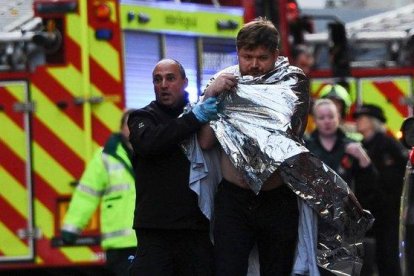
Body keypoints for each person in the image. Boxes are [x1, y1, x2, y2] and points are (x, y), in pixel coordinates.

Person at [198, 17, 310, 275]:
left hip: (275, 199)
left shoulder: (291, 83)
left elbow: (290, 133)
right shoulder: (223, 83)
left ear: (276, 55)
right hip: (234, 200)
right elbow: (205, 141)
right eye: (247, 57)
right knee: (227, 269)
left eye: (262, 57)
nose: (254, 65)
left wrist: (246, 103)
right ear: (238, 53)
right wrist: (211, 94)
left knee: (277, 269)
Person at [127, 58, 218, 275]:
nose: (164, 85)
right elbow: (149, 142)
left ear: (185, 82)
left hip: (194, 228)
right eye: (157, 80)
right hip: (155, 230)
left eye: (170, 78)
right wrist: (193, 120)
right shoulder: (142, 117)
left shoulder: (202, 113)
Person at [305, 99, 379, 275]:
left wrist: (363, 159)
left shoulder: (350, 146)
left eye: (331, 116)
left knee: (346, 270)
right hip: (316, 221)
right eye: (322, 117)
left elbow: (372, 185)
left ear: (339, 118)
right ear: (315, 120)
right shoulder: (306, 147)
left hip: (346, 222)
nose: (327, 121)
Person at [61, 109, 137, 276]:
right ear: (121, 129)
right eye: (128, 124)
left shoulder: (153, 151)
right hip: (119, 243)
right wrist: (72, 227)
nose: (132, 128)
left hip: (149, 239)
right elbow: (87, 193)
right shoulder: (105, 157)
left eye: (136, 124)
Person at [353, 104, 407, 276]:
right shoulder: (359, 147)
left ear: (371, 122)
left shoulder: (388, 145)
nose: (358, 122)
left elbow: (400, 176)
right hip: (367, 211)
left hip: (388, 212)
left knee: (388, 257)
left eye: (362, 118)